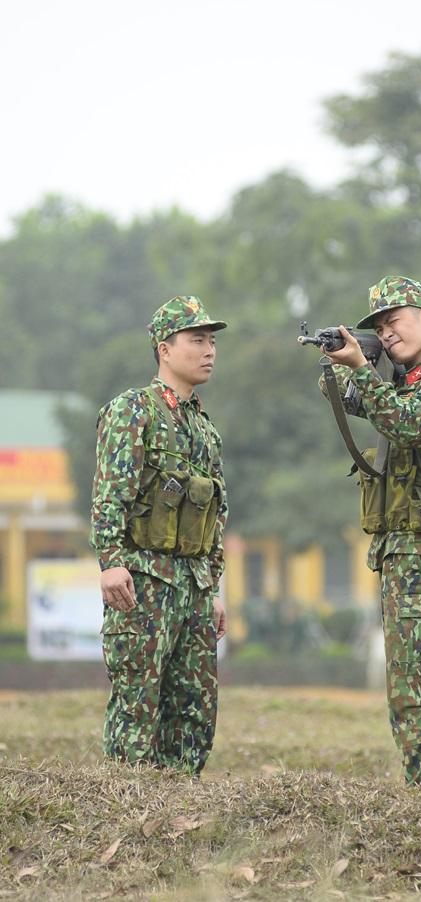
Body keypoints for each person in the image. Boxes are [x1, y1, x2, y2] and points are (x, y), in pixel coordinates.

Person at [321, 275, 421, 785]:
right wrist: (341, 359)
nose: (388, 334)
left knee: (416, 685)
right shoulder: (401, 383)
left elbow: (410, 424)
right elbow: (348, 399)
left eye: (395, 321)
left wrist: (365, 371)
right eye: (379, 329)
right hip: (405, 555)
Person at [90, 295, 228, 773]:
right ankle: (127, 818)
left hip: (191, 588)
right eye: (197, 340)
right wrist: (110, 561)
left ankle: (176, 822)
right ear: (164, 349)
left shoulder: (205, 428)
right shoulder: (134, 410)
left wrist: (212, 587)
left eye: (211, 341)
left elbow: (215, 513)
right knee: (137, 706)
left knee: (194, 710)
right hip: (143, 582)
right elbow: (111, 493)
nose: (209, 350)